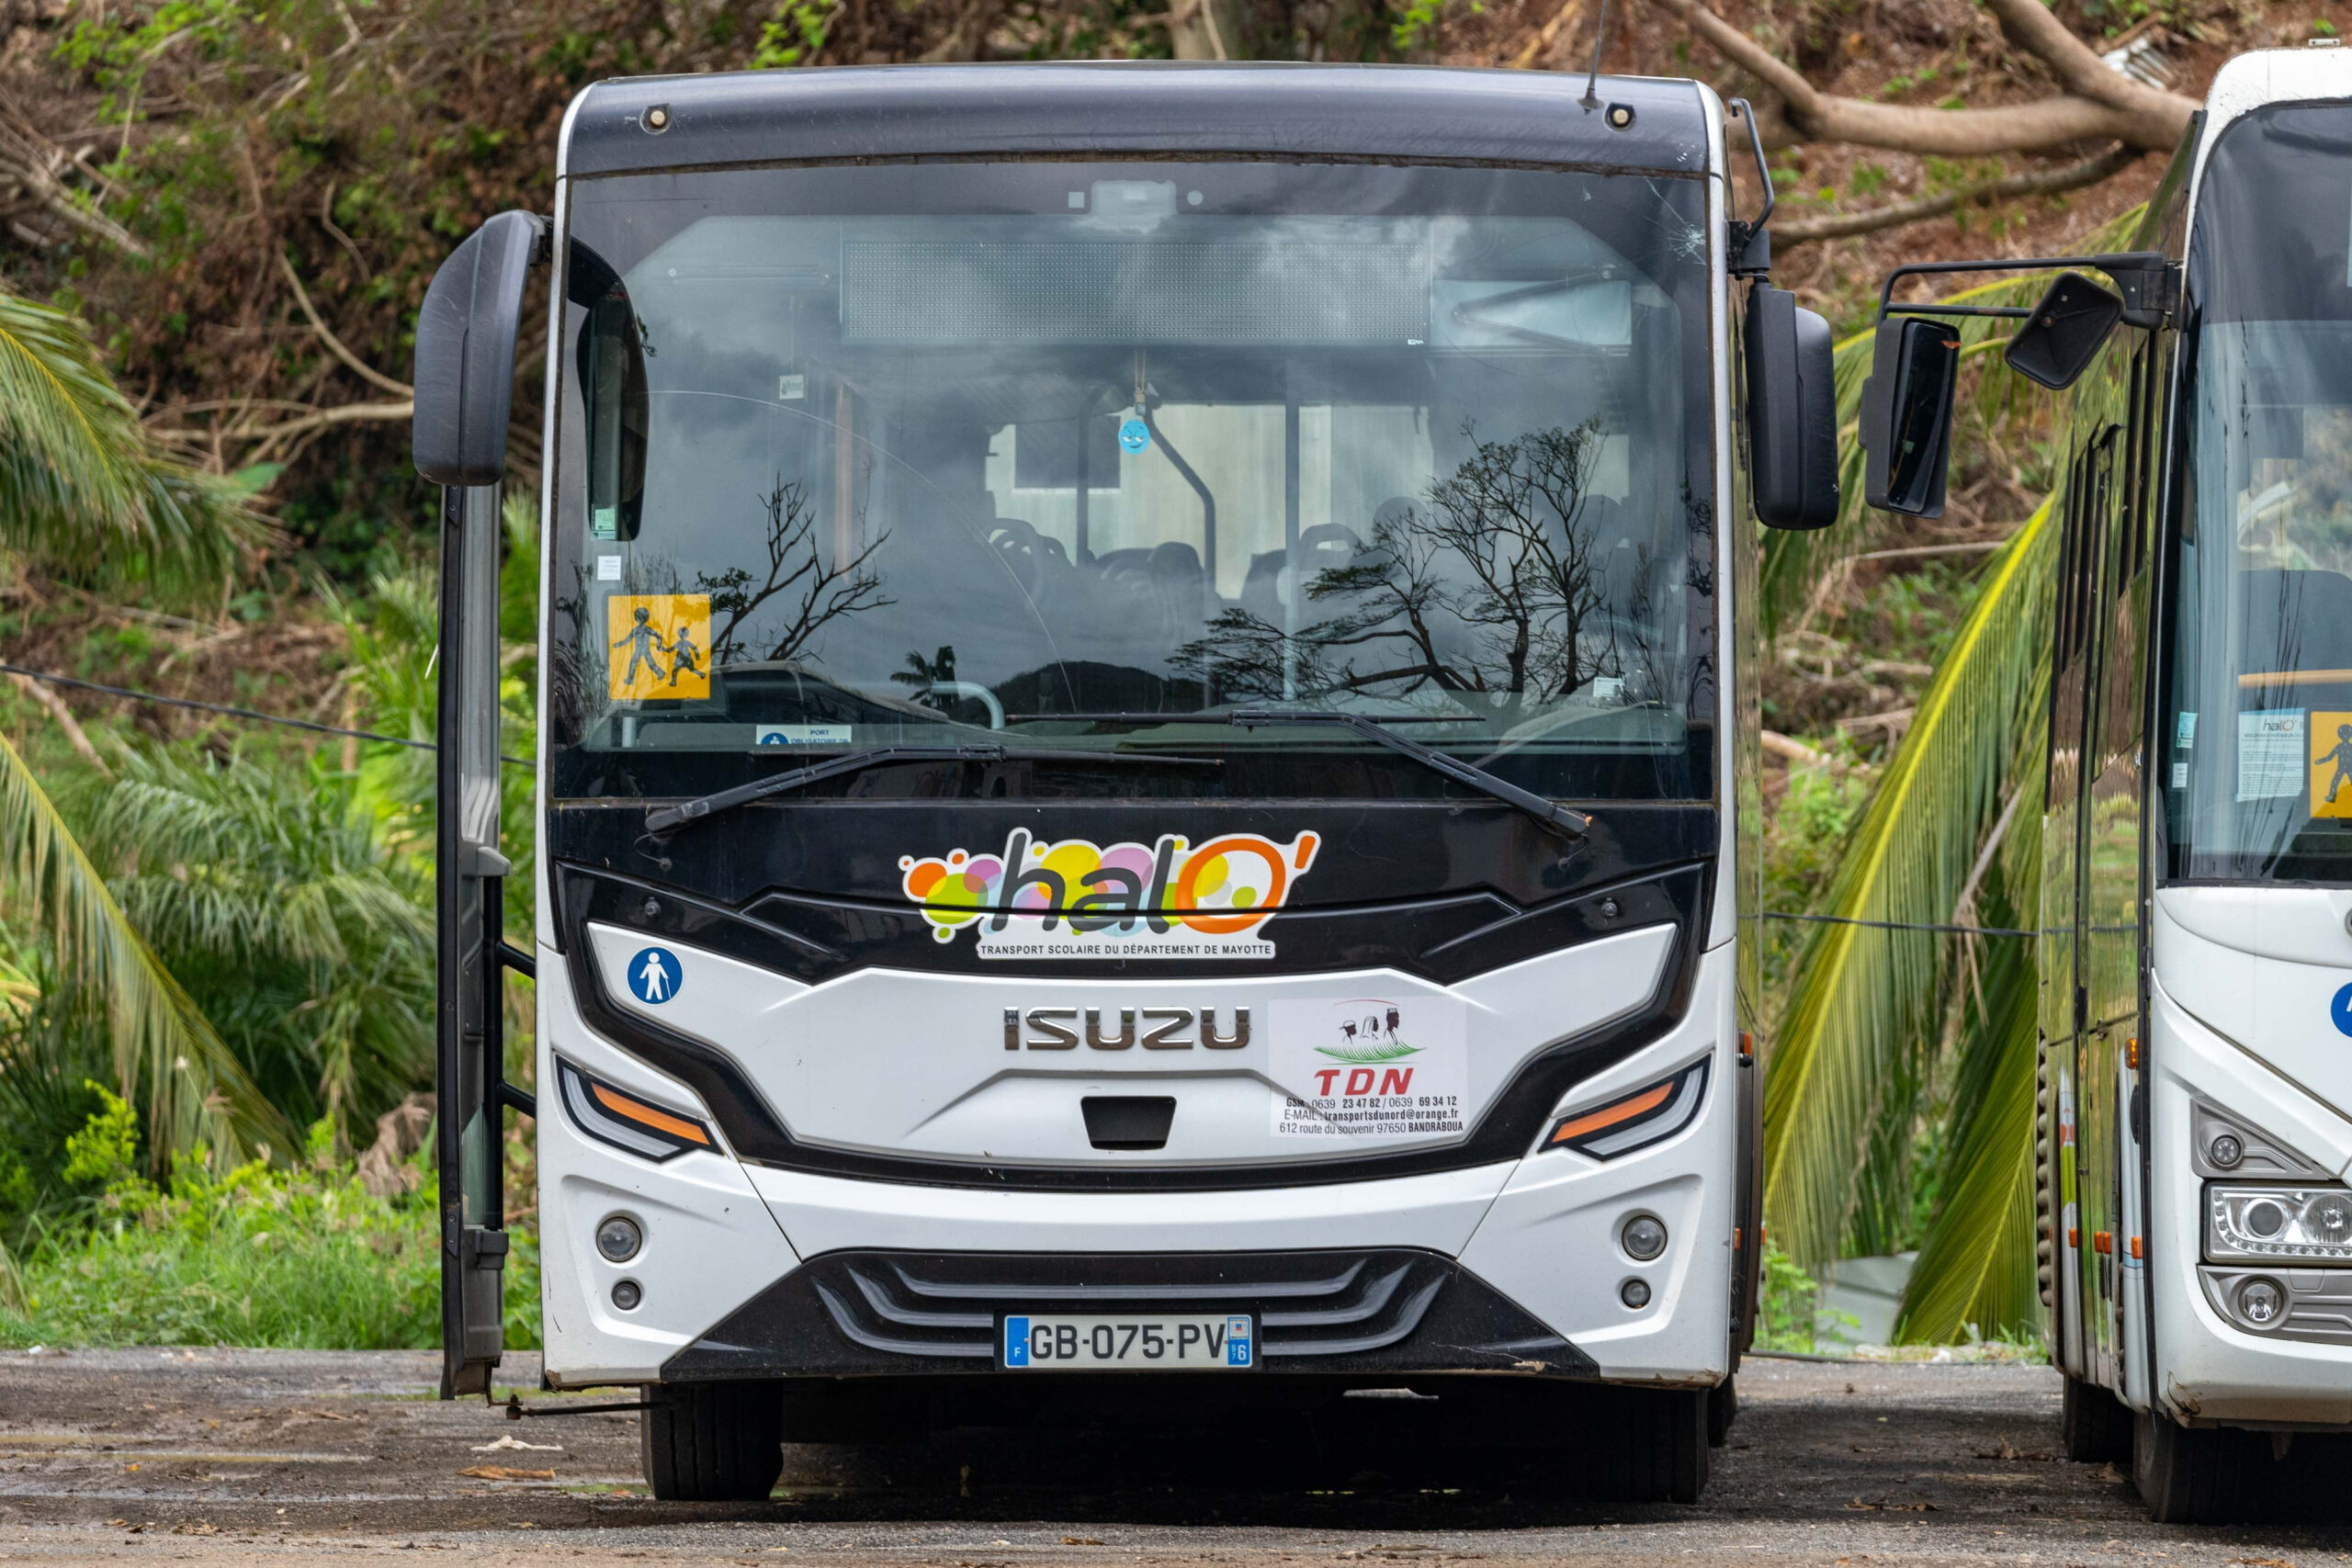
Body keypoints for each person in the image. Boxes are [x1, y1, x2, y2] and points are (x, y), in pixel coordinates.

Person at [613, 604, 669, 688]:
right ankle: (660, 673)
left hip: (642, 650)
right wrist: (659, 645)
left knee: (638, 664)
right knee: (644, 663)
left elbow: (627, 640)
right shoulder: (644, 629)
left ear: (639, 619)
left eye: (638, 618)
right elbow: (658, 636)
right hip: (642, 650)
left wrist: (659, 646)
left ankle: (631, 679)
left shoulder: (640, 629)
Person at [2317, 721, 2352, 810]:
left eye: (2347, 734)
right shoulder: (2339, 746)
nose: (2345, 737)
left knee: (2335, 781)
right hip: (2341, 768)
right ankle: (2332, 797)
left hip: (2350, 768)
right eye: (2343, 734)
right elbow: (2329, 757)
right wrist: (2320, 761)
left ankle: (2332, 797)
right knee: (2334, 781)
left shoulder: (2350, 746)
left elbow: (2329, 757)